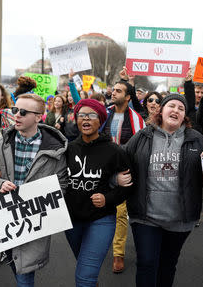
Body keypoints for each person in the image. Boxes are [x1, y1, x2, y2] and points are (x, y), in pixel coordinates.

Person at [0, 93, 68, 287]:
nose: (16, 115)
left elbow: (62, 188)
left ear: (38, 117)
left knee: (24, 274)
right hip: (3, 216)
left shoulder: (55, 151)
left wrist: (34, 196)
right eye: (14, 110)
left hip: (33, 218)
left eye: (23, 112)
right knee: (15, 264)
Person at [124, 94, 203, 287]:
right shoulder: (143, 136)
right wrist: (117, 177)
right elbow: (123, 159)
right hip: (146, 217)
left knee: (168, 265)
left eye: (181, 108)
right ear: (161, 111)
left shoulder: (196, 139)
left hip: (179, 220)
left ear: (184, 115)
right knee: (146, 263)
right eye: (171, 106)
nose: (176, 110)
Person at [64, 99, 133, 287]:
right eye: (81, 115)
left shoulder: (114, 151)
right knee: (85, 268)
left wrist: (108, 198)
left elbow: (129, 186)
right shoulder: (67, 150)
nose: (86, 119)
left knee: (84, 277)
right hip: (71, 221)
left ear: (101, 120)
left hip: (101, 220)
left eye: (92, 115)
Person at [100, 76, 145, 273]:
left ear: (128, 97)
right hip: (101, 169)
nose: (113, 93)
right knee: (99, 209)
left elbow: (140, 146)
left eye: (119, 91)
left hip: (124, 171)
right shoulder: (104, 114)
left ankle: (118, 254)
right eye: (113, 90)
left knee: (120, 213)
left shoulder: (136, 118)